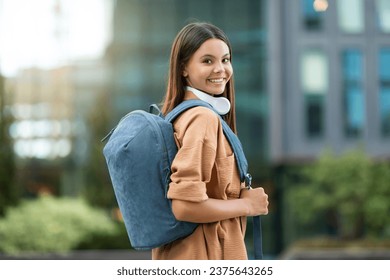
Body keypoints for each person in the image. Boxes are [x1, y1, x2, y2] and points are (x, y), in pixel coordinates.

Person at [152, 22, 269, 260]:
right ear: (184, 67)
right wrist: (248, 206)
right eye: (207, 61)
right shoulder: (202, 118)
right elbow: (184, 206)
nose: (221, 69)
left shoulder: (178, 116)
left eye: (225, 60)